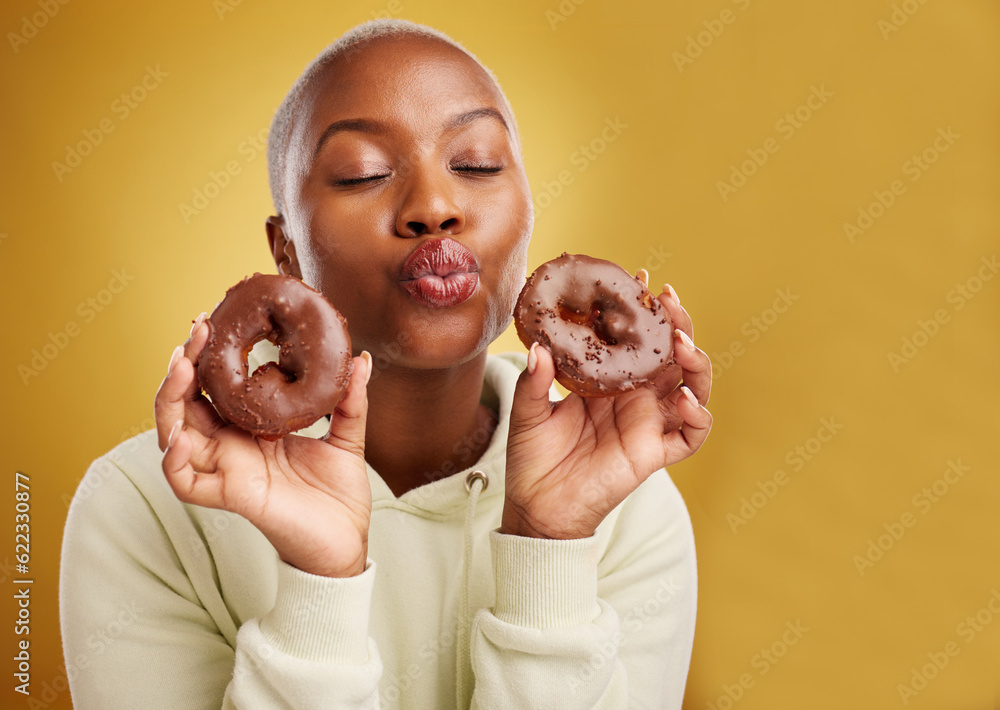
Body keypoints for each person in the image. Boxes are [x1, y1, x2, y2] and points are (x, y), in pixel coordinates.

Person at [59, 18, 713, 709]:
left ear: (526, 209)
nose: (433, 207)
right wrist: (320, 582)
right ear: (285, 252)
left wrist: (550, 542)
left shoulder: (624, 501)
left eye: (476, 164)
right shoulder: (149, 501)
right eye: (362, 173)